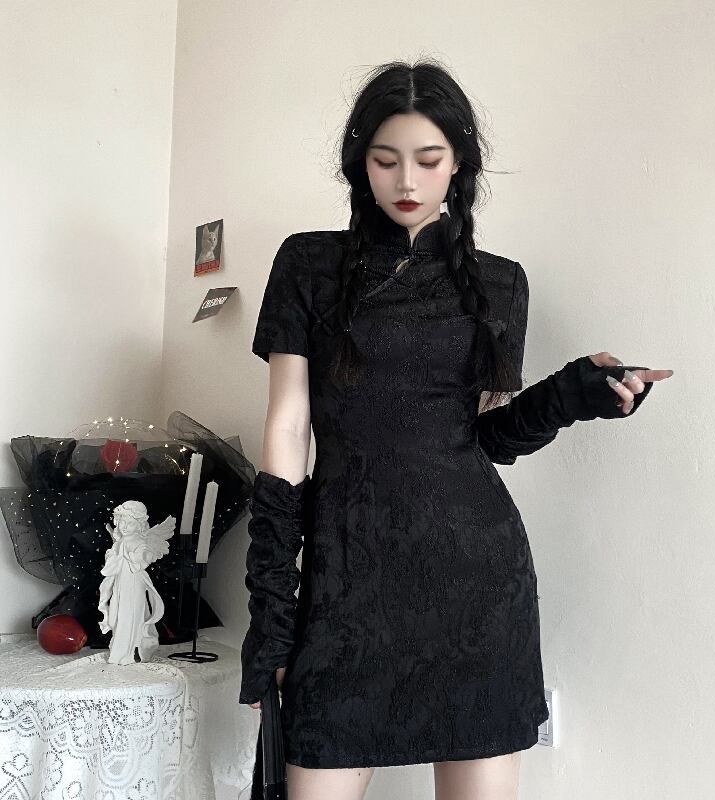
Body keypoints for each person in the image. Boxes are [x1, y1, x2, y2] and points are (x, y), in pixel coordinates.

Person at [239, 59, 673, 800]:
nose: (406, 180)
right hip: (345, 586)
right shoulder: (309, 264)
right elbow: (286, 433)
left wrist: (572, 395)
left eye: (428, 159)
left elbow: (486, 439)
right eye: (386, 160)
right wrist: (272, 615)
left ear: (459, 163)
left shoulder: (501, 282)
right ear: (360, 163)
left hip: (477, 586)